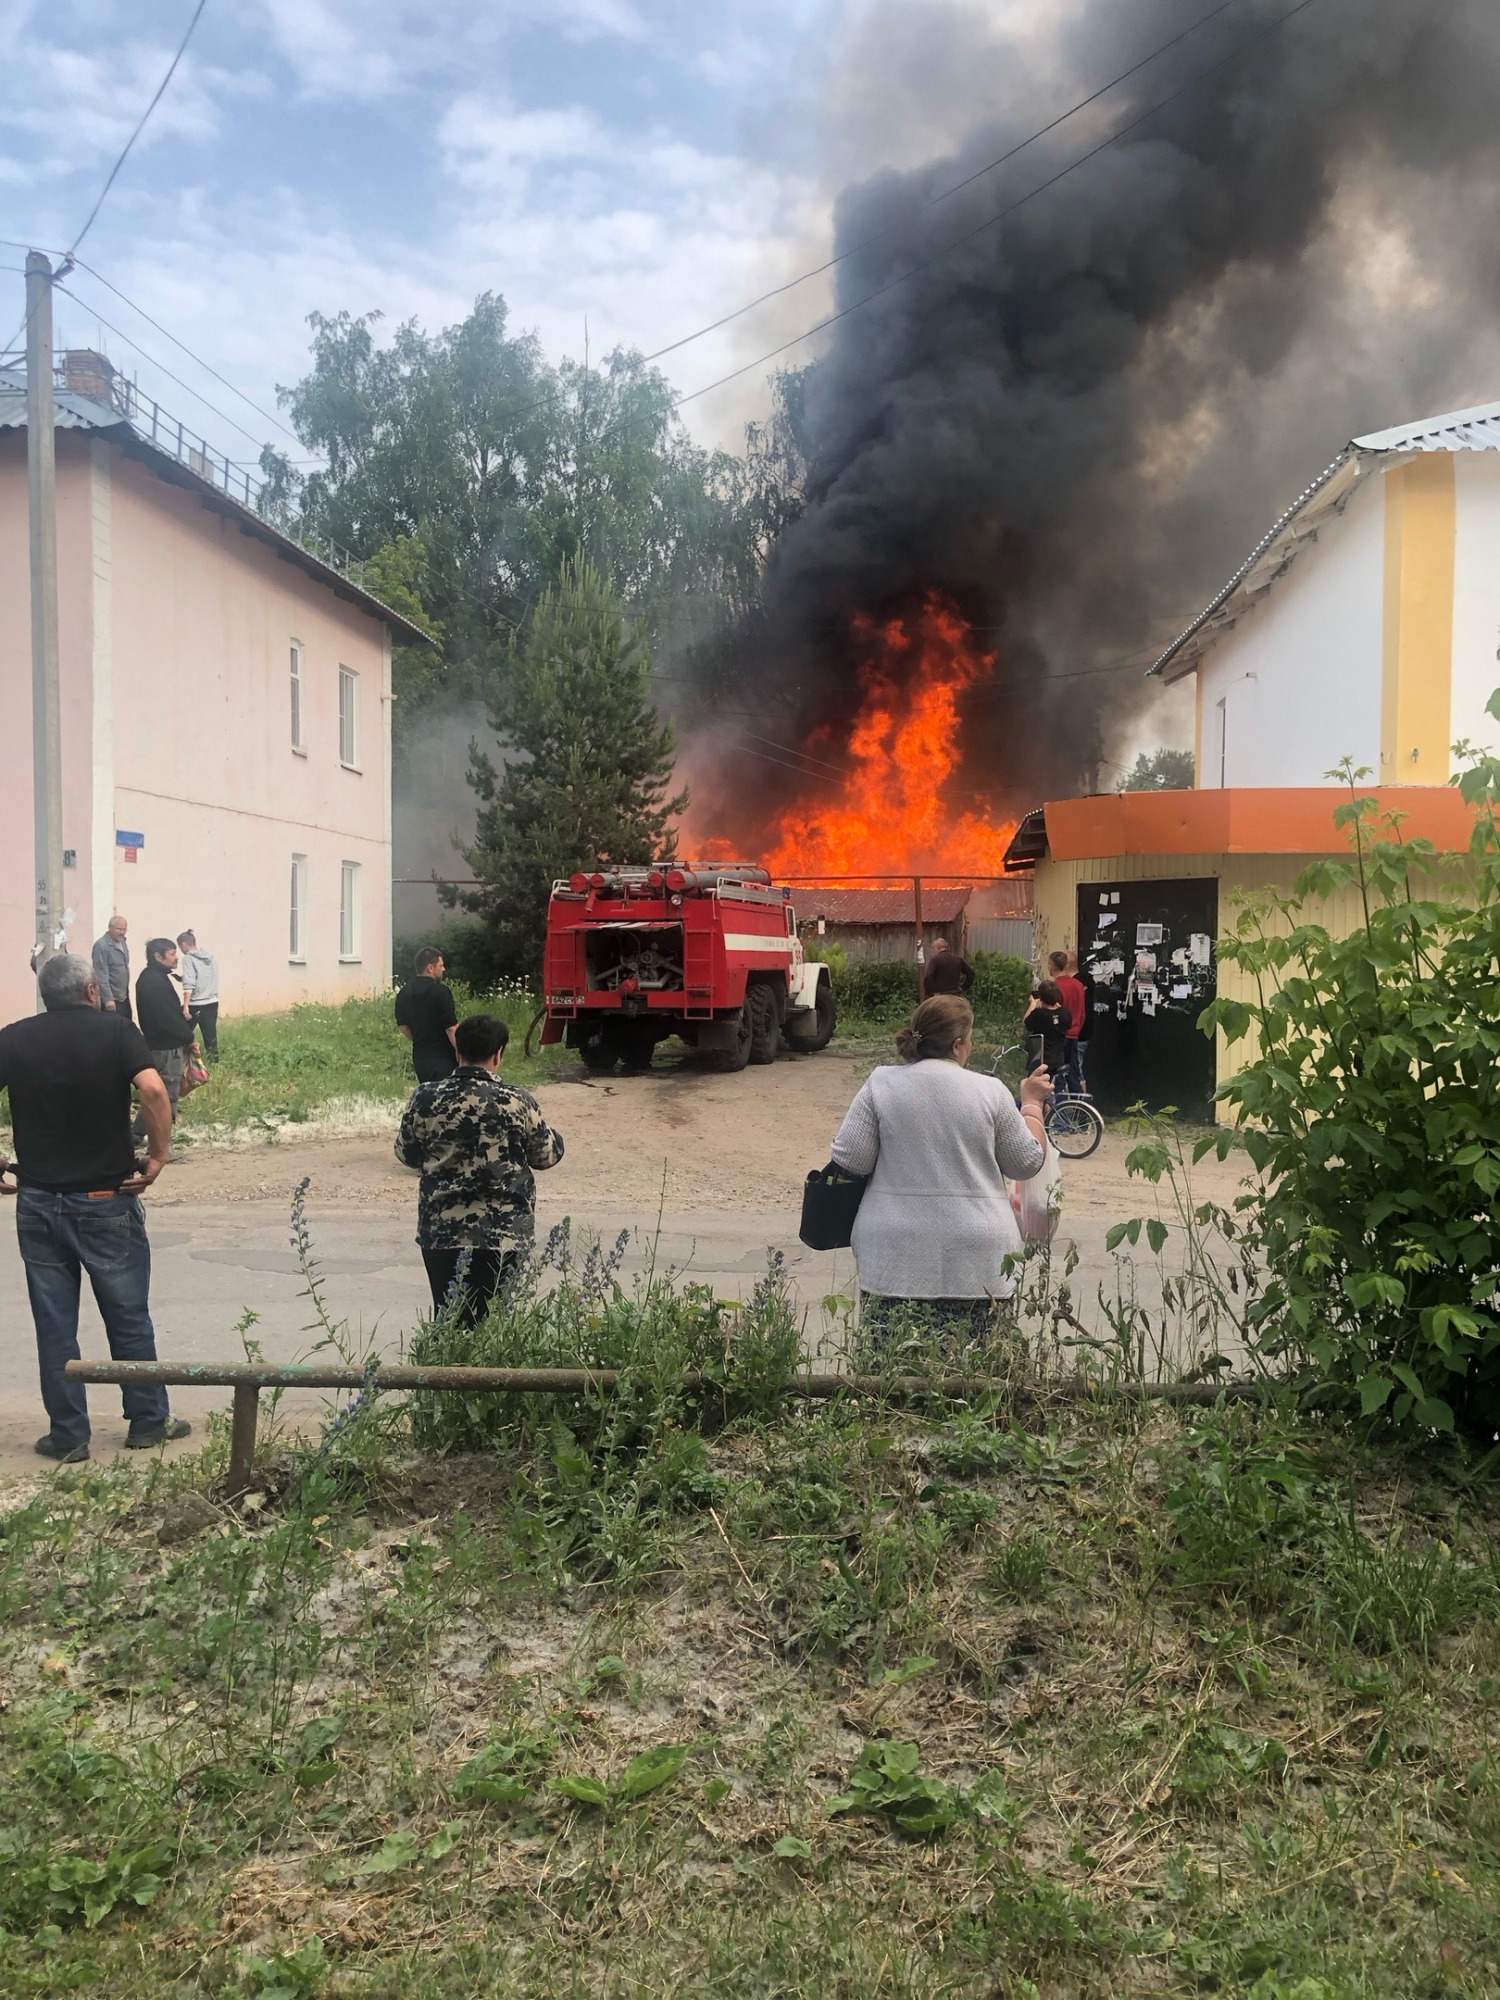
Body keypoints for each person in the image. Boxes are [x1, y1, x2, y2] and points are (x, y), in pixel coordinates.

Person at [0, 953, 191, 1462]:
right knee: (127, 1314)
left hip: (38, 1199)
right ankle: (148, 1422)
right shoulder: (116, 1031)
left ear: (46, 996)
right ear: (90, 992)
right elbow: (152, 1088)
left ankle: (69, 1435)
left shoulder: (14, 1037)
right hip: (107, 1199)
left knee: (54, 1321)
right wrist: (157, 1156)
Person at [829, 994, 1050, 1353]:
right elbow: (1025, 1161)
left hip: (893, 1257)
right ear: (960, 1045)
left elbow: (850, 1158)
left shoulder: (881, 1083)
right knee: (975, 1381)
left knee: (892, 1377)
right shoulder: (990, 1091)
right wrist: (1032, 1105)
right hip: (979, 1260)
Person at [395, 1012, 565, 1326]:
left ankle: (445, 1373)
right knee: (492, 1322)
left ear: (457, 1052)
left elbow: (406, 1153)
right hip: (503, 1233)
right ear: (498, 1054)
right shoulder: (517, 1101)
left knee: (448, 1318)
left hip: (441, 1230)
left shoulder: (426, 1097)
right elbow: (546, 1156)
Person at [134, 938, 197, 1136]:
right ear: (158, 956)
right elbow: (167, 1019)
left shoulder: (153, 978)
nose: (176, 958)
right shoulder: (153, 982)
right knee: (166, 1099)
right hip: (165, 1049)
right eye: (171, 954)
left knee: (158, 1097)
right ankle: (157, 1149)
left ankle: (134, 1137)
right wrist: (188, 1037)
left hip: (162, 1045)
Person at [394, 947, 459, 1083]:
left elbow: (402, 1026)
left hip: (420, 1057)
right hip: (445, 1057)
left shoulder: (404, 993)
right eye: (440, 965)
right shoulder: (441, 991)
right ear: (430, 968)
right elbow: (451, 1027)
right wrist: (461, 1052)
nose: (443, 969)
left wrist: (421, 1038)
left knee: (428, 1096)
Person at [177, 929, 221, 1060]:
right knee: (210, 1035)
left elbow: (189, 985)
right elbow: (206, 977)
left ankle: (182, 1058)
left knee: (181, 1032)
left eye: (180, 947)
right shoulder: (211, 957)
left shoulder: (188, 959)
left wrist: (185, 1006)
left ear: (184, 945)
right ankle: (214, 1061)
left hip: (196, 1003)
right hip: (212, 1001)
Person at [1049, 951, 1087, 1096]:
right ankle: (1081, 1111)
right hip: (1074, 1034)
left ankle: (1058, 1112)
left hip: (1059, 1036)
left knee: (1057, 1074)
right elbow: (1082, 1012)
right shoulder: (1078, 985)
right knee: (1074, 1075)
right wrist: (1076, 1029)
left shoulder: (1054, 987)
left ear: (1051, 966)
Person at [1024, 979, 1073, 1078]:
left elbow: (1026, 1022)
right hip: (1059, 1060)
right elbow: (1060, 1012)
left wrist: (1033, 1003)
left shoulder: (1039, 1014)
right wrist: (1054, 1001)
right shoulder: (1065, 1013)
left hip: (1041, 1060)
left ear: (1041, 997)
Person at [92, 914, 132, 1020]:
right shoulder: (102, 946)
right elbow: (101, 974)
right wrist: (108, 998)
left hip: (123, 995)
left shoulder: (123, 942)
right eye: (119, 929)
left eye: (124, 929)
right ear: (110, 928)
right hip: (112, 999)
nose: (122, 932)